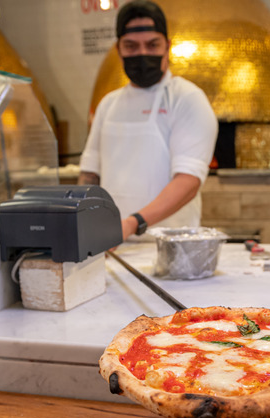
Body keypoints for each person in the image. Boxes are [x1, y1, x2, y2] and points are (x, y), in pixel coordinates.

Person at [77, 0, 218, 241]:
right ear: (118, 49)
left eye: (152, 45)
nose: (142, 54)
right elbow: (90, 176)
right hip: (112, 247)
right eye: (131, 46)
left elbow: (188, 182)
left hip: (171, 249)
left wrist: (133, 223)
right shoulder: (108, 105)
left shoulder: (187, 98)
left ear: (168, 46)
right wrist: (82, 222)